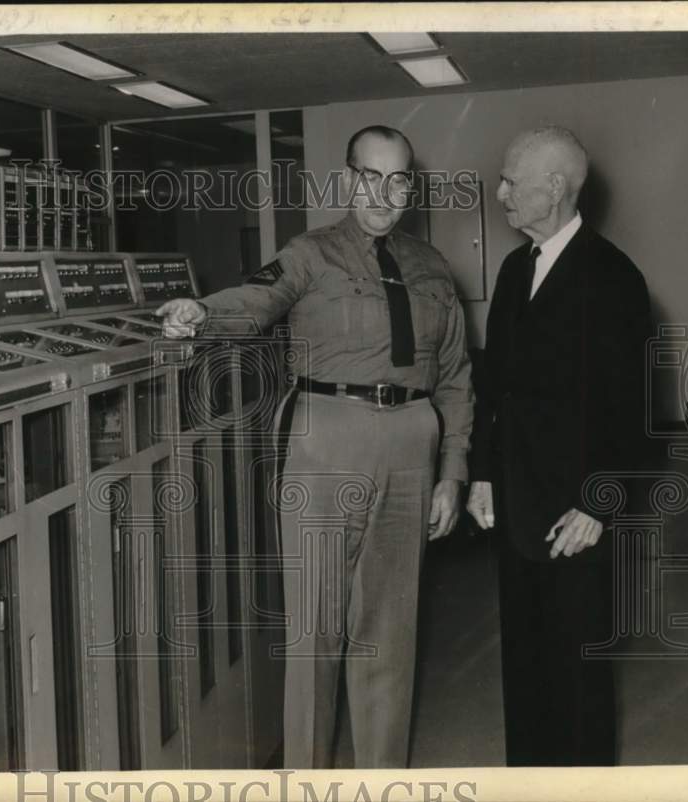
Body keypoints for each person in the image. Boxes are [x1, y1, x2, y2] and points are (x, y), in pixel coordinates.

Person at [157, 126, 474, 768]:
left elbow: (458, 377)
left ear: (410, 186)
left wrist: (453, 472)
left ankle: (382, 778)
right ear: (348, 178)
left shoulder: (435, 267)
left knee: (391, 629)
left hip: (414, 438)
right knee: (317, 630)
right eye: (371, 176)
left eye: (398, 178)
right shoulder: (311, 252)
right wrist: (200, 311)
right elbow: (257, 298)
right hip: (328, 435)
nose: (384, 192)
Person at [467, 126, 651, 766]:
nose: (499, 193)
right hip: (516, 507)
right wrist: (483, 474)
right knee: (525, 671)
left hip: (578, 517)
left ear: (554, 187)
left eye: (511, 182)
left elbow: (634, 413)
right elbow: (497, 388)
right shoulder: (518, 268)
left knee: (578, 681)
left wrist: (599, 504)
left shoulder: (614, 278)